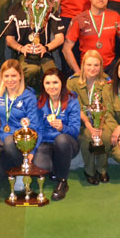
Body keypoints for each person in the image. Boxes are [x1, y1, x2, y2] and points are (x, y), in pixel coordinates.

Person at [5, 0, 64, 90]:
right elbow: (9, 40)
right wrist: (21, 48)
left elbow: (60, 38)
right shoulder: (14, 10)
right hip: (24, 56)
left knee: (53, 76)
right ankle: (28, 97)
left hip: (45, 55)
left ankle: (46, 100)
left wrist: (46, 48)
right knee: (31, 70)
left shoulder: (48, 8)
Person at [0, 59, 42, 187]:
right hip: (2, 140)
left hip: (21, 143)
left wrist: (31, 151)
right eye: (6, 76)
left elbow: (34, 126)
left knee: (9, 141)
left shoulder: (29, 97)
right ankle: (12, 167)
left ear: (20, 76)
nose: (10, 79)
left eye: (13, 75)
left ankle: (21, 172)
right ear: (2, 77)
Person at [34, 68, 81, 200]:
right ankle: (54, 166)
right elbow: (39, 130)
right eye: (47, 83)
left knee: (61, 139)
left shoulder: (72, 101)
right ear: (43, 85)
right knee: (41, 166)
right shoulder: (40, 102)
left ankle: (62, 181)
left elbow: (75, 131)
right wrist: (35, 150)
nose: (51, 86)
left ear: (62, 83)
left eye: (55, 82)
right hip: (46, 142)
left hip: (68, 143)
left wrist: (63, 128)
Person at [66, 50, 112, 184]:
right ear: (83, 65)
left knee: (105, 137)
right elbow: (75, 107)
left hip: (101, 121)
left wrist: (99, 127)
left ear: (101, 66)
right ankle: (90, 171)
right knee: (88, 136)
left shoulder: (106, 81)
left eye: (96, 65)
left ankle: (102, 169)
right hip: (81, 121)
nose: (92, 68)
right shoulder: (73, 82)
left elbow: (107, 106)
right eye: (89, 65)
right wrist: (89, 125)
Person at [63, 0, 120, 74]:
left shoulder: (115, 16)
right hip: (88, 68)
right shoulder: (79, 19)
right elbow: (66, 48)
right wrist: (78, 72)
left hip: (110, 67)